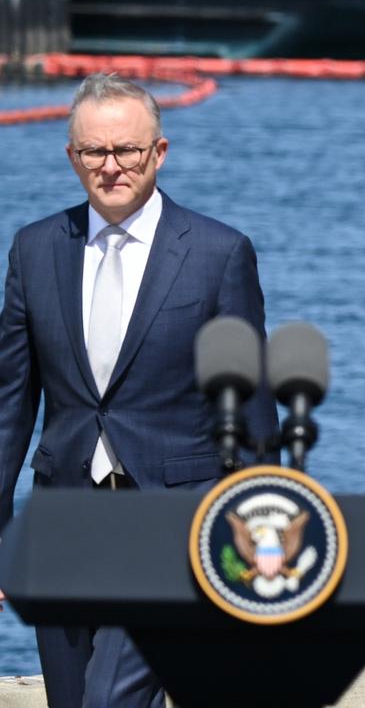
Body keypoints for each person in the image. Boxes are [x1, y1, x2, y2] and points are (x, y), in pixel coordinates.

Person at [0, 72, 278, 708]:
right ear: (73, 157)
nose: (111, 166)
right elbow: (9, 405)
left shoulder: (218, 254)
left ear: (159, 152)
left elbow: (250, 413)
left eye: (127, 150)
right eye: (95, 152)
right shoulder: (35, 249)